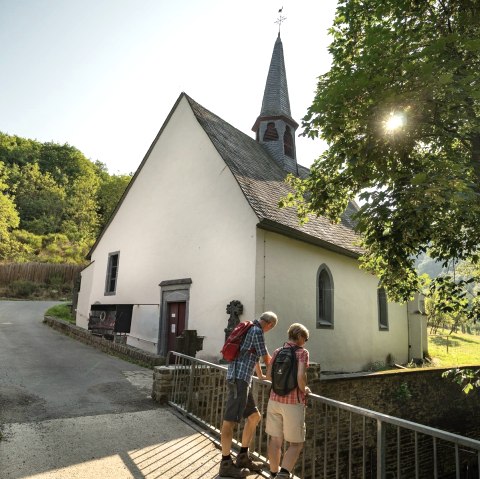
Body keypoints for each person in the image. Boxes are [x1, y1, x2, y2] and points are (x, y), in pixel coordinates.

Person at [219, 311, 278, 478]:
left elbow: (254, 355)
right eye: (271, 328)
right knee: (229, 421)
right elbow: (266, 357)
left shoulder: (249, 328)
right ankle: (225, 464)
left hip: (240, 378)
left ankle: (243, 457)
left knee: (254, 416)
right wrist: (273, 376)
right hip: (239, 380)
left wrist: (260, 376)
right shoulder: (257, 331)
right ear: (269, 324)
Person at [266, 323, 310, 479]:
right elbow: (300, 377)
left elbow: (269, 376)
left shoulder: (278, 351)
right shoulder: (302, 353)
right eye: (305, 338)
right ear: (299, 337)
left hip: (274, 400)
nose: (305, 342)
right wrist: (305, 390)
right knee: (296, 443)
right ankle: (283, 475)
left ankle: (273, 473)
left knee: (275, 440)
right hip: (292, 403)